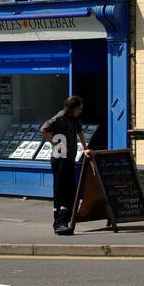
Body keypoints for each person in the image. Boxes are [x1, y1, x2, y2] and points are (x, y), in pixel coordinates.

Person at [40, 95, 90, 235]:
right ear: (73, 108)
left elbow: (79, 131)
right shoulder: (60, 117)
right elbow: (44, 129)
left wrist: (85, 148)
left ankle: (63, 221)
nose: (81, 110)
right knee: (62, 192)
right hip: (59, 159)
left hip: (68, 159)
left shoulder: (74, 118)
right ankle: (59, 224)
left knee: (70, 192)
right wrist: (57, 144)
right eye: (79, 108)